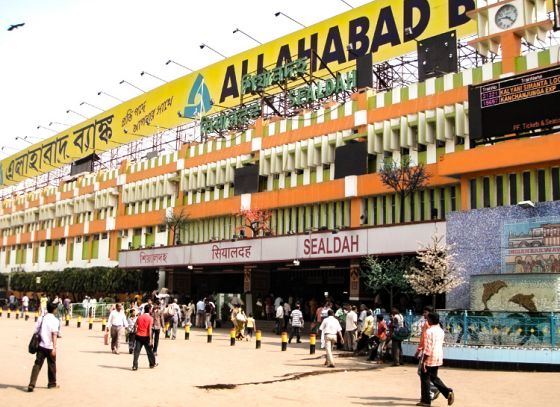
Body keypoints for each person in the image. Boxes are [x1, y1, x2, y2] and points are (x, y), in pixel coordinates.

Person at [417, 312, 455, 406]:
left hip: (430, 357)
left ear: (431, 320)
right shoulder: (440, 330)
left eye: (428, 319)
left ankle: (426, 400)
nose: (427, 320)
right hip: (438, 356)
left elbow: (428, 348)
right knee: (433, 377)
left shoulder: (429, 331)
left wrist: (424, 361)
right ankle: (447, 392)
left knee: (425, 378)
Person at [28, 302, 60, 392]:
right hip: (49, 347)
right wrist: (54, 348)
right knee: (52, 365)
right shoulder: (55, 320)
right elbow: (54, 335)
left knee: (37, 365)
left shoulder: (41, 318)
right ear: (54, 310)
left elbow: (35, 331)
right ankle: (52, 383)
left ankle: (32, 384)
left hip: (41, 346)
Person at [415, 306, 441, 402]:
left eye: (425, 312)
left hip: (428, 353)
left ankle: (431, 391)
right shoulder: (438, 327)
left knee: (423, 373)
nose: (424, 314)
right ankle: (432, 391)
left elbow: (424, 339)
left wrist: (419, 350)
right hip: (436, 354)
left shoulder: (428, 325)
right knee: (432, 375)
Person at [132, 304, 157, 371]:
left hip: (138, 336)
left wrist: (136, 331)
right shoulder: (150, 318)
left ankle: (135, 366)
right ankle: (152, 364)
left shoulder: (139, 317)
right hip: (146, 337)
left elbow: (135, 325)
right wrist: (151, 339)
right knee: (149, 352)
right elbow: (149, 330)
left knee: (136, 352)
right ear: (149, 310)